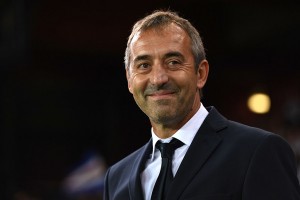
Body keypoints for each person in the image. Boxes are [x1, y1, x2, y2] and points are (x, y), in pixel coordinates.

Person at [103, 10, 300, 200]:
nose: (158, 78)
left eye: (173, 62)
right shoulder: (116, 178)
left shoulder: (258, 151)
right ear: (130, 80)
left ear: (201, 74)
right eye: (144, 65)